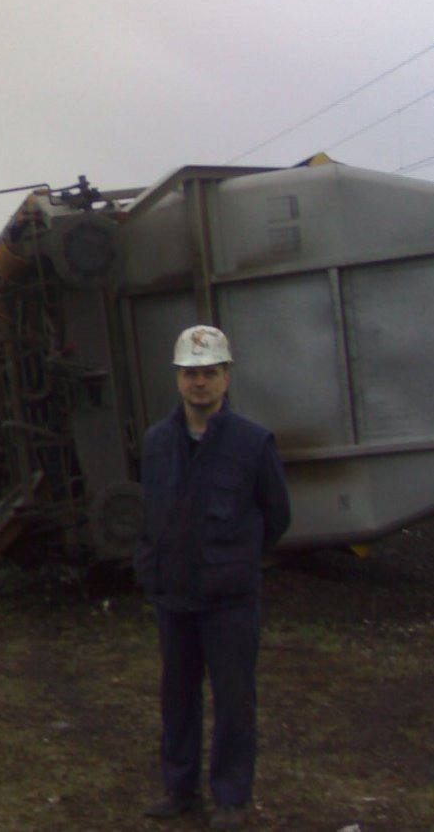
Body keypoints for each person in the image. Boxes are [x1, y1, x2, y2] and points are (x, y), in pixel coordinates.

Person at [136, 325, 291, 831]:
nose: (199, 383)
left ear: (226, 377)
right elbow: (150, 514)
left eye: (208, 373)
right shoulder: (158, 442)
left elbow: (277, 514)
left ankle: (231, 798)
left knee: (233, 700)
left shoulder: (252, 442)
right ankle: (179, 789)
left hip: (229, 601)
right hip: (174, 595)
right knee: (177, 696)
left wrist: (236, 561)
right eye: (190, 374)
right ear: (178, 379)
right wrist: (150, 567)